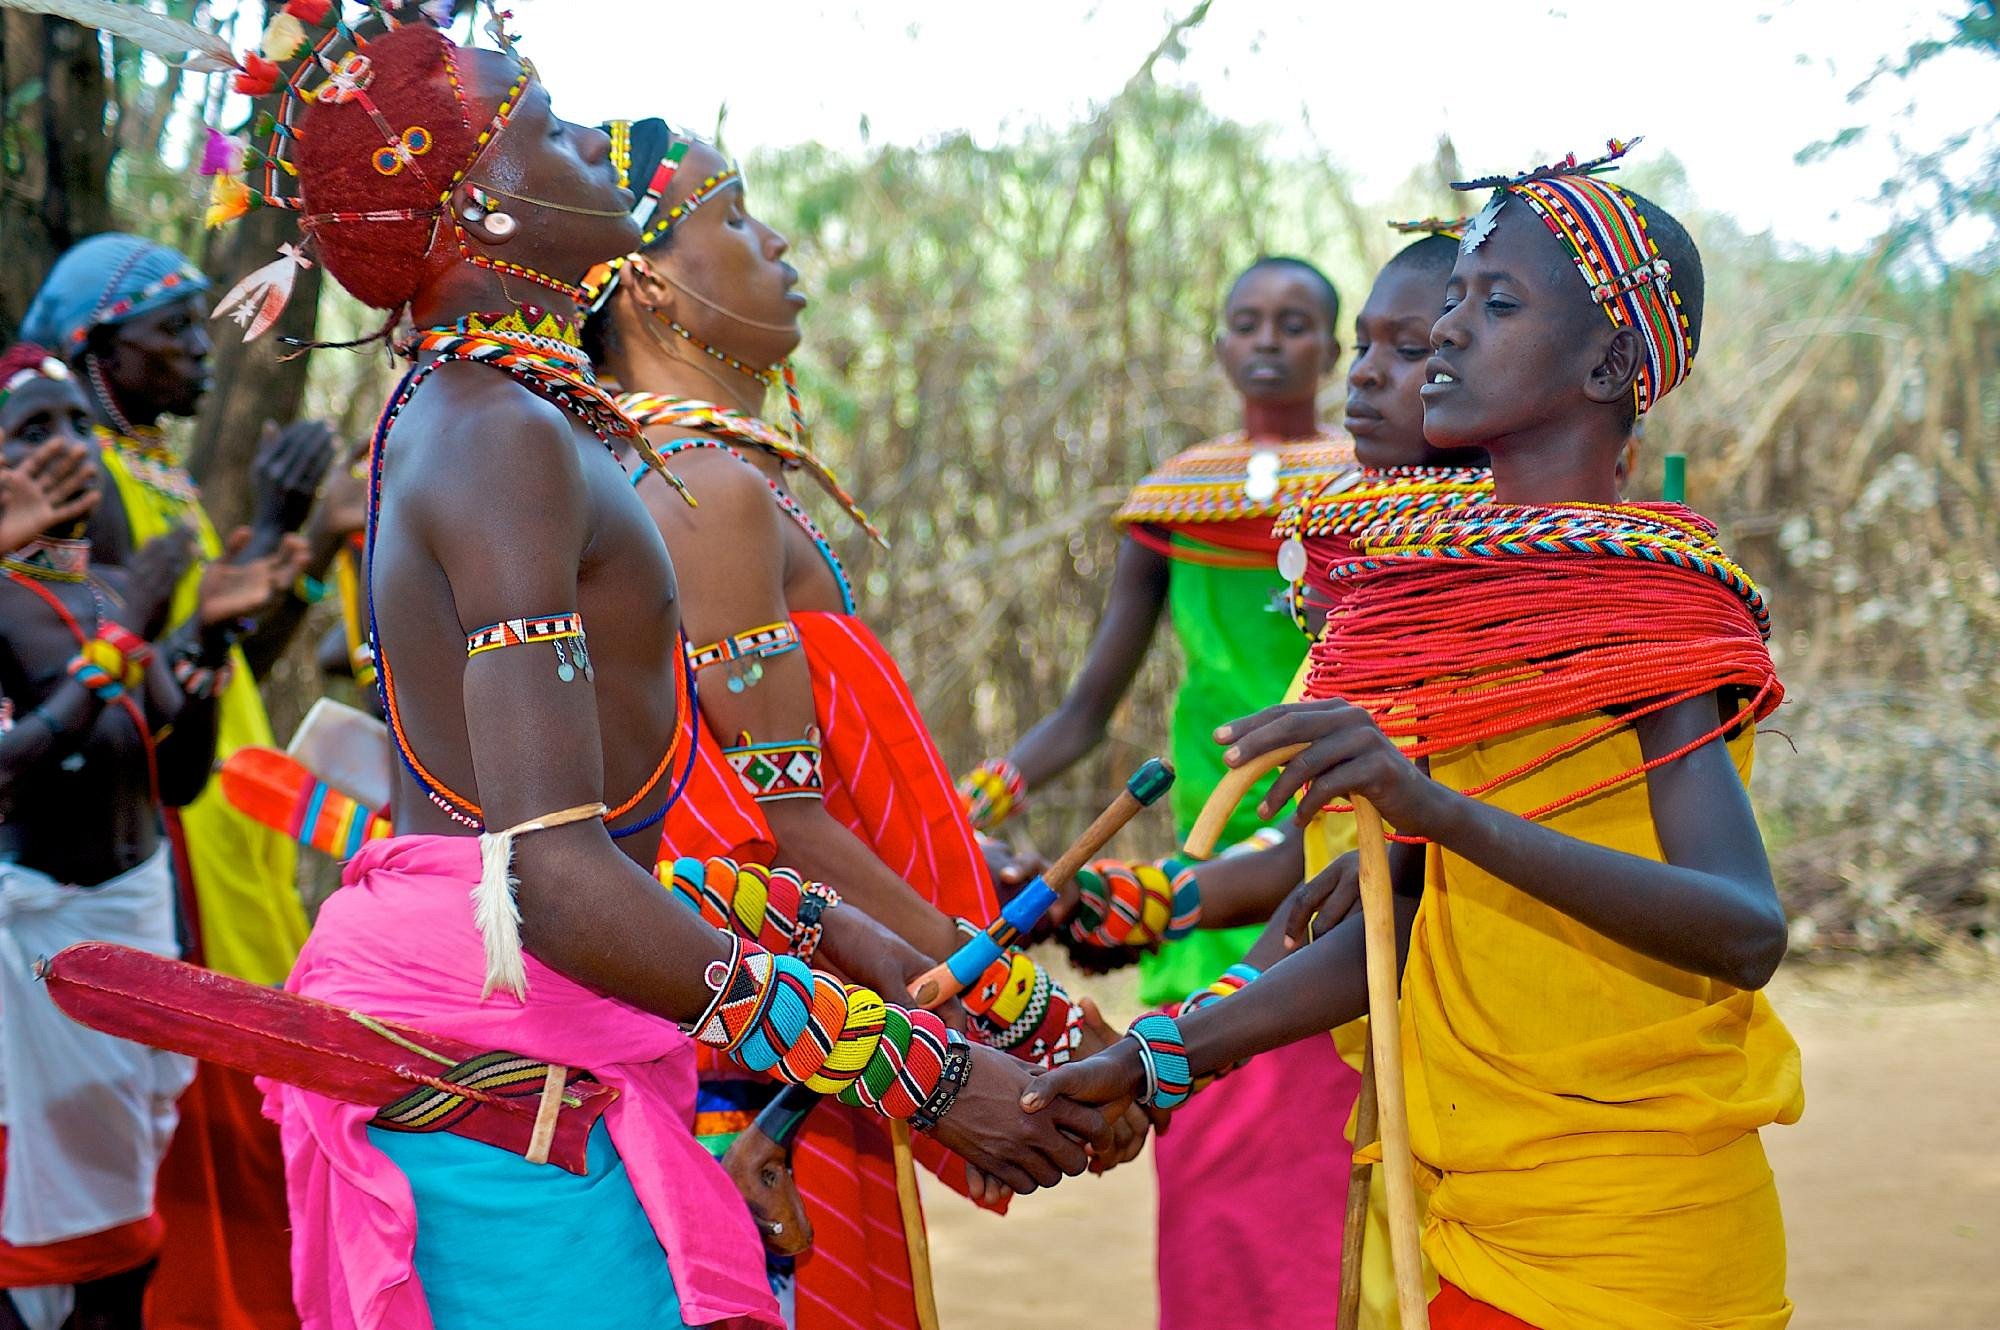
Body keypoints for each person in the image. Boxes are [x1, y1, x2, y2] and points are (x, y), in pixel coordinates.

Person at [196, 12, 1107, 1326]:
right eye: (552, 129)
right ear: (483, 209)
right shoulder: (496, 436)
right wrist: (915, 1069)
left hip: (528, 1029)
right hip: (508, 1058)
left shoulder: (494, 419)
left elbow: (577, 849)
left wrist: (834, 935)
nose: (592, 151)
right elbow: (553, 878)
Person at [1028, 143, 1803, 1330]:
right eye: (1449, 303)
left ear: (1605, 361)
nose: (1443, 334)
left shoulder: (1644, 599)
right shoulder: (1447, 593)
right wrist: (1157, 1058)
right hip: (1472, 1214)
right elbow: (1400, 918)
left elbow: (1741, 928)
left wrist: (1433, 808)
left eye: (1490, 305)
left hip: (1628, 1235)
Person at [580, 118, 1139, 1330]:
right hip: (775, 1035)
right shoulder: (704, 490)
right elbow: (780, 829)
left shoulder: (682, 476)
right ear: (646, 281)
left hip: (784, 1006)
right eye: (731, 219)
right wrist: (1013, 1004)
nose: (775, 242)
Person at [960, 255, 1362, 1327]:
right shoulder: (1174, 498)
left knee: (1322, 1145)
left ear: (1331, 345)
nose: (1268, 340)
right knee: (1213, 1166)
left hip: (1339, 830)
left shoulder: (1379, 496)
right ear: (1220, 345)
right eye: (1246, 321)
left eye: (1294, 322)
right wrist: (985, 794)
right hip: (1205, 848)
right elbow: (1091, 703)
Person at [18, 229, 343, 1330]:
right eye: (170, 329)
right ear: (96, 344)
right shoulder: (77, 478)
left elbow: (215, 663)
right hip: (148, 843)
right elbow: (113, 650)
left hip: (218, 808)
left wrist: (288, 546)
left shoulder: (156, 477)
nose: (197, 351)